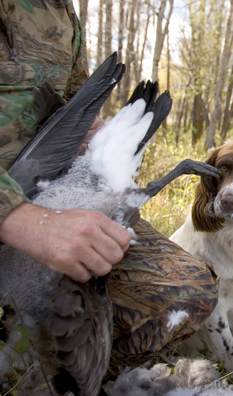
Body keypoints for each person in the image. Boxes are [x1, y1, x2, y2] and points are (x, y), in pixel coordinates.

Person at [0, 0, 217, 375]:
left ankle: (36, 368)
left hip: (49, 188)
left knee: (184, 293)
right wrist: (23, 220)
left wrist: (90, 132)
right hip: (21, 216)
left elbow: (68, 96)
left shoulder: (56, 10)